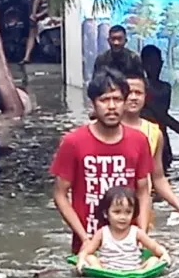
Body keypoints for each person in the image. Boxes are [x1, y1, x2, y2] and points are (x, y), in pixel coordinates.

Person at [50, 68, 154, 254]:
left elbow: (144, 191)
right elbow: (60, 194)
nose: (112, 106)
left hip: (129, 244)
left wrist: (142, 237)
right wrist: (85, 238)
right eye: (104, 100)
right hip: (87, 243)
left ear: (125, 102)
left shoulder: (139, 140)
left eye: (118, 99)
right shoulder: (73, 142)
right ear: (93, 104)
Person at [121, 69, 179, 227]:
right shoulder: (106, 129)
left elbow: (158, 178)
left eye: (139, 93)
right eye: (129, 93)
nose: (134, 97)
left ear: (145, 97)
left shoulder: (154, 133)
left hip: (142, 209)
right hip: (110, 208)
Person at [76, 186, 171, 273]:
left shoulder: (136, 232)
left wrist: (164, 255)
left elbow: (155, 247)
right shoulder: (102, 233)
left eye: (128, 212)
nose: (123, 217)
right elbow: (86, 251)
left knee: (153, 260)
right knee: (90, 258)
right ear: (106, 213)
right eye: (117, 212)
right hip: (107, 272)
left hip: (135, 271)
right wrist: (81, 261)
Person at [140, 45, 179, 172]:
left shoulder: (165, 88)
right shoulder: (139, 88)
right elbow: (158, 114)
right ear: (143, 64)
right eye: (150, 63)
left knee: (165, 174)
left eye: (157, 63)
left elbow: (163, 115)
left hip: (162, 138)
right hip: (144, 138)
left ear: (161, 63)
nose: (154, 67)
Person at [19, 0, 50, 64]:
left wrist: (37, 15)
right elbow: (36, 0)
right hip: (39, 16)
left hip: (51, 15)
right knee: (32, 33)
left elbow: (53, 6)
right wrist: (34, 14)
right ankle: (26, 57)